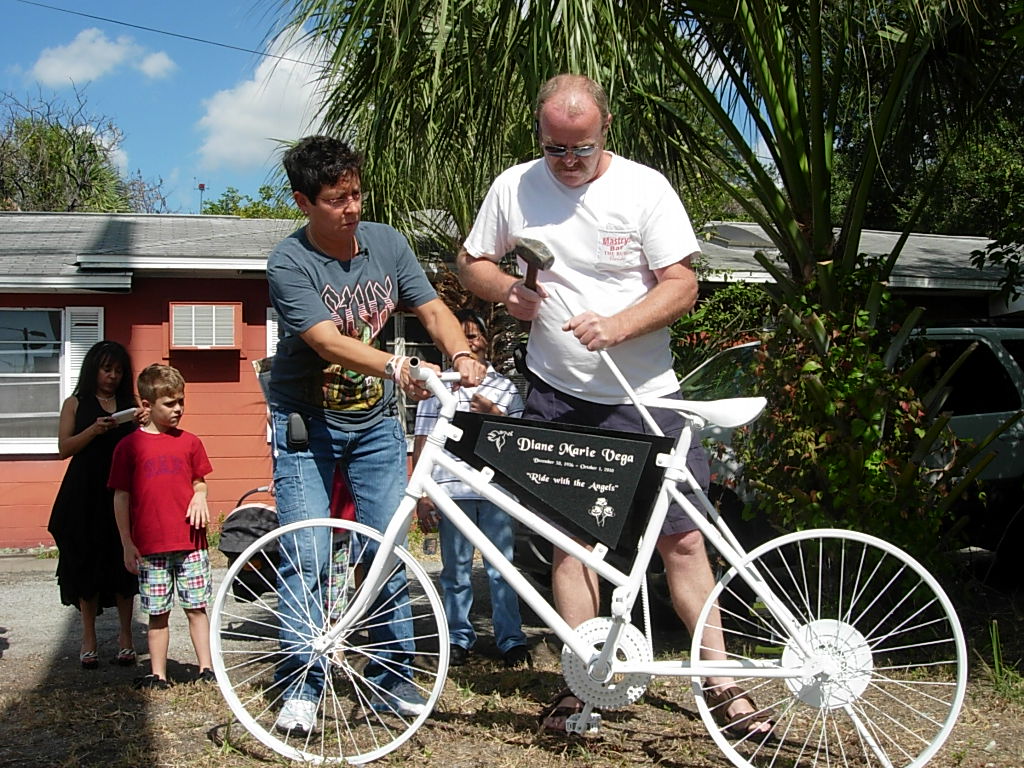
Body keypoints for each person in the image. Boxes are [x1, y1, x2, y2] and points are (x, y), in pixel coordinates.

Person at [457, 74, 773, 737]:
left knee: (683, 543)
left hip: (649, 398)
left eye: (582, 149)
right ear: (539, 137)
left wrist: (620, 324)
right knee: (571, 546)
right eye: (555, 150)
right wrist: (506, 289)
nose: (568, 164)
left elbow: (683, 285)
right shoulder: (515, 185)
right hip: (556, 397)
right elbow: (471, 263)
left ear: (606, 133)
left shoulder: (644, 188)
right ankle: (585, 687)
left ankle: (724, 686)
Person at [265, 135, 485, 735]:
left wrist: (459, 350)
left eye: (357, 193)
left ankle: (392, 684)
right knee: (309, 552)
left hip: (373, 423)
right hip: (307, 422)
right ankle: (303, 683)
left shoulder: (387, 243)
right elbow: (326, 341)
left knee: (387, 551)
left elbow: (432, 308)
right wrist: (397, 366)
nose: (353, 207)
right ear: (303, 201)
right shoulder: (288, 262)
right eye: (338, 199)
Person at [412, 309, 530, 669]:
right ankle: (458, 639)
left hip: (493, 491)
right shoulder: (437, 387)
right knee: (456, 570)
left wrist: (493, 413)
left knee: (501, 569)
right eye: (461, 338)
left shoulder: (504, 387)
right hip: (451, 490)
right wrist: (422, 493)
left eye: (474, 336)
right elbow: (422, 440)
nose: (469, 343)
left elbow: (521, 443)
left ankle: (511, 640)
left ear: (484, 342)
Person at [109, 364, 214, 689]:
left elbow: (199, 482)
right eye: (170, 404)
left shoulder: (190, 442)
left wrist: (200, 496)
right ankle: (158, 673)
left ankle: (207, 668)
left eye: (181, 401)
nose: (178, 409)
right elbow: (121, 497)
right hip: (150, 546)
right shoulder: (129, 447)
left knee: (196, 607)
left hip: (190, 542)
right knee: (157, 613)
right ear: (147, 405)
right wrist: (127, 542)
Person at [48, 340, 140, 670]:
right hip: (83, 493)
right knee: (84, 563)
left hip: (121, 493)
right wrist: (94, 430)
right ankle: (89, 639)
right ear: (93, 370)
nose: (112, 376)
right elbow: (64, 447)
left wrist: (143, 423)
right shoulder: (76, 403)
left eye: (118, 371)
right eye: (106, 369)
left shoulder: (130, 404)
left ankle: (126, 638)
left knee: (123, 563)